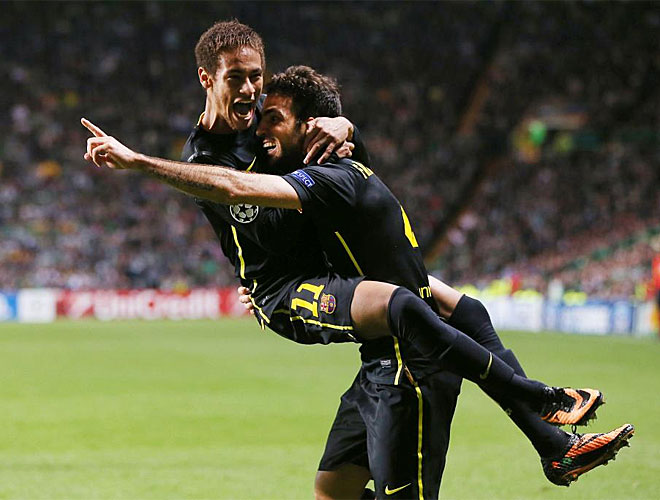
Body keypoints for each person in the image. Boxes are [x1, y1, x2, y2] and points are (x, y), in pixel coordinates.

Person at [81, 63, 634, 495]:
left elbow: (232, 189)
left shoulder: (327, 182)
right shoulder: (346, 165)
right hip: (380, 360)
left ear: (311, 127)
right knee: (334, 488)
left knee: (401, 307)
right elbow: (463, 308)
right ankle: (550, 437)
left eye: (275, 116)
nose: (260, 126)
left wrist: (137, 162)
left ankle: (542, 402)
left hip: (407, 367)